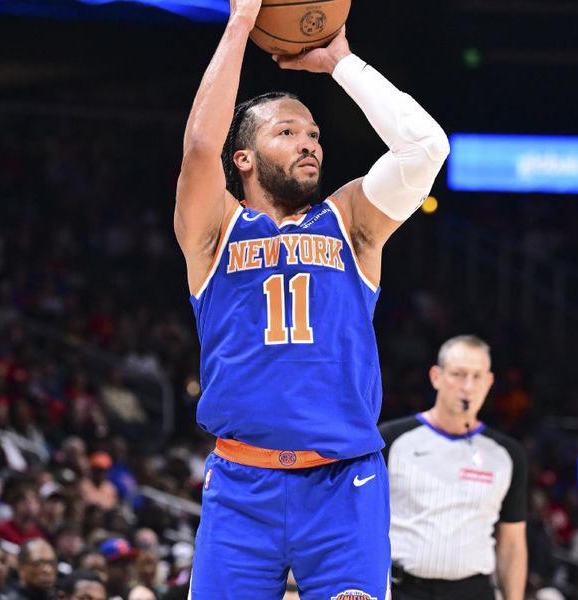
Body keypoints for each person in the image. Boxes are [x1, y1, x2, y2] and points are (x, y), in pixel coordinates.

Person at [175, 0, 449, 597]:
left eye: (314, 134)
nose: (309, 144)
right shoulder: (215, 230)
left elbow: (427, 149)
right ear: (243, 159)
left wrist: (342, 63)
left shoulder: (350, 220)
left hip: (344, 487)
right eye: (287, 133)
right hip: (241, 485)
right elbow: (201, 149)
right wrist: (241, 23)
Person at [379, 335, 528, 600]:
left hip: (474, 591)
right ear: (436, 376)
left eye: (476, 376)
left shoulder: (507, 454)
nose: (467, 387)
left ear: (489, 382)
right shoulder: (391, 440)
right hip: (402, 589)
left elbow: (513, 543)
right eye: (458, 374)